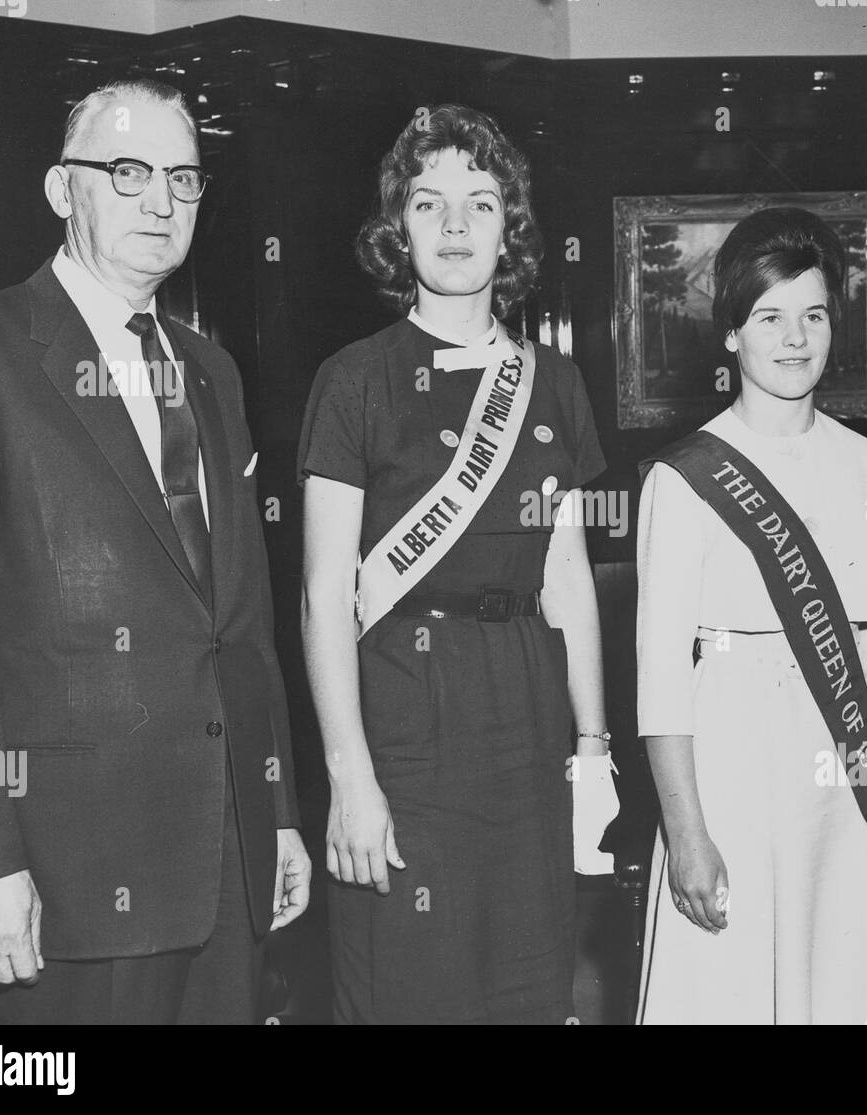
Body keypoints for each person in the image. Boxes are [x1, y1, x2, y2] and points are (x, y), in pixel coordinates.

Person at [0, 79, 310, 1024]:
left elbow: (244, 625)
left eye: (183, 177)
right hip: (67, 882)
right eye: (127, 171)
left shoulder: (211, 370)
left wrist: (282, 814)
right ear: (63, 191)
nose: (161, 201)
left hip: (226, 865)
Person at [298, 104, 616, 1025]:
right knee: (410, 986)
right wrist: (348, 775)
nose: (454, 228)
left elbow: (568, 578)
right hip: (403, 707)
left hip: (526, 711)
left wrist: (592, 751)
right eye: (429, 204)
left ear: (509, 229)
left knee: (527, 979)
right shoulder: (355, 378)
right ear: (398, 226)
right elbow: (326, 596)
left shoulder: (552, 381)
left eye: (480, 206)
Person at [635, 207, 867, 1025]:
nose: (794, 338)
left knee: (840, 983)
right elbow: (661, 681)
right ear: (730, 334)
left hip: (844, 775)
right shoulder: (684, 478)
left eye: (814, 315)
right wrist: (685, 831)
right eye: (769, 316)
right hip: (728, 765)